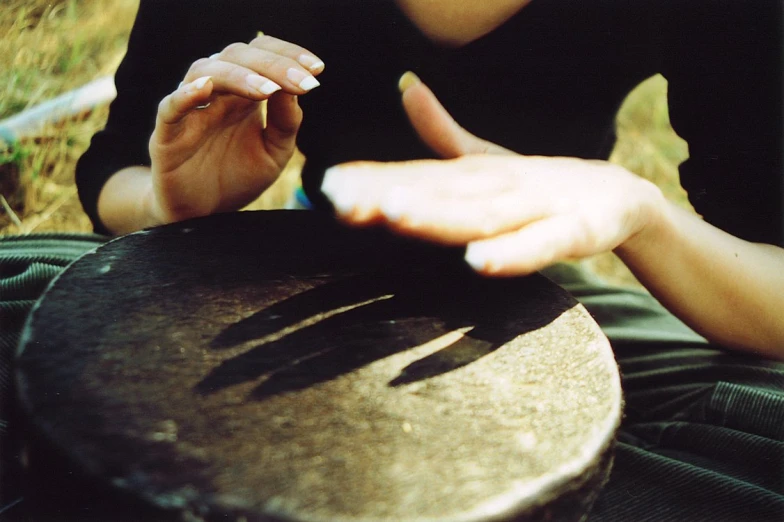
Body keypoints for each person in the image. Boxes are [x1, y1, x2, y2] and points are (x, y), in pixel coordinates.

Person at [2, 0, 782, 520]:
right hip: (276, 260)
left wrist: (637, 213)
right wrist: (174, 206)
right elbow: (114, 167)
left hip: (532, 292)